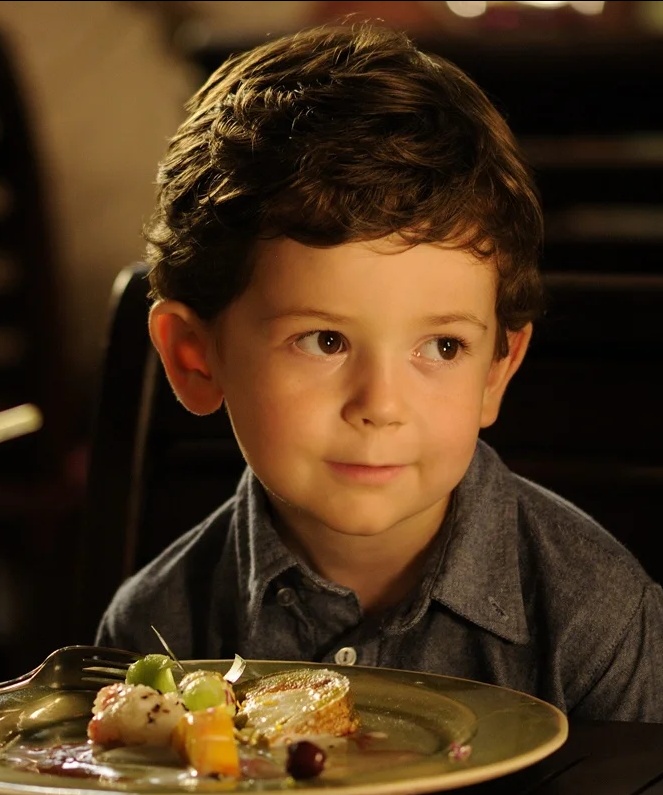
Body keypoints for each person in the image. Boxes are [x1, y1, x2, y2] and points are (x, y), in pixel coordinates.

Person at [95, 21, 663, 722]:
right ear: (194, 357)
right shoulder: (150, 635)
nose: (381, 404)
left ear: (496, 370)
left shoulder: (600, 625)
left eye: (442, 347)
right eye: (324, 340)